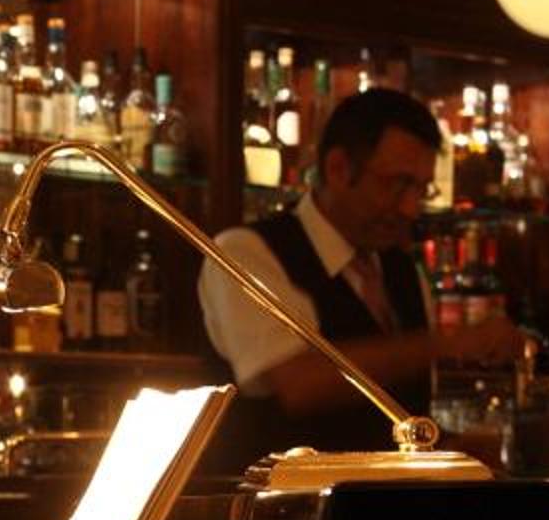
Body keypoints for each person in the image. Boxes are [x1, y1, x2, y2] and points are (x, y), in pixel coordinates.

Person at [198, 85, 528, 464]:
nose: (410, 208)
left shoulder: (403, 270)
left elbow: (388, 417)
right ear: (338, 168)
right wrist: (447, 343)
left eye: (421, 189)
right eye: (397, 184)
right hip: (280, 500)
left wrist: (456, 449)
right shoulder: (246, 252)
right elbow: (298, 384)